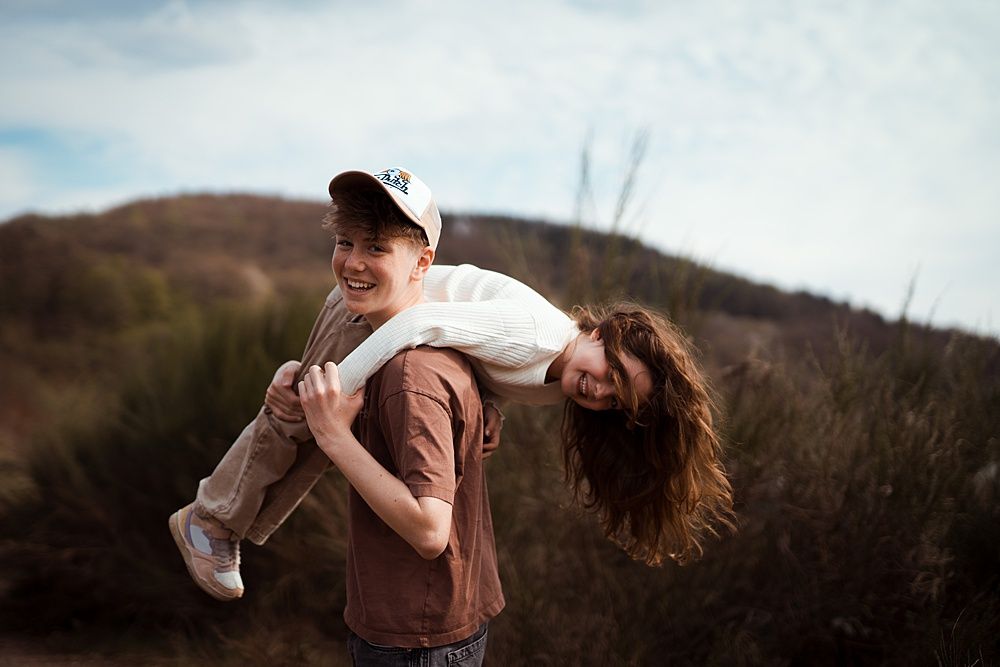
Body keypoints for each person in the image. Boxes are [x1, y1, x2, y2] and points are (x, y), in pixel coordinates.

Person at [170, 166, 732, 603]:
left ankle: (224, 524)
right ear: (601, 333)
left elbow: (478, 352)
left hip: (382, 313)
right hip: (370, 315)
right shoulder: (538, 335)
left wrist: (488, 404)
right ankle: (212, 519)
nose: (601, 392)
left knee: (313, 429)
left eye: (618, 400)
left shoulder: (560, 373)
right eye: (613, 373)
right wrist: (329, 398)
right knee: (300, 423)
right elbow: (421, 323)